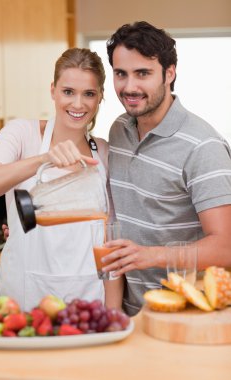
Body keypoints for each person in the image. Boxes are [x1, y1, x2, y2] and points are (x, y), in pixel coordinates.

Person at [99, 21, 231, 316]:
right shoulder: (120, 129)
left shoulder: (202, 146)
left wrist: (149, 256)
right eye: (121, 74)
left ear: (169, 73)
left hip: (186, 315)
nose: (129, 87)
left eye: (142, 73)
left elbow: (226, 248)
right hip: (132, 314)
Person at [0, 48, 123, 311]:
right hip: (21, 302)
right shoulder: (22, 134)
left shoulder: (103, 152)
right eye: (68, 91)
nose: (78, 104)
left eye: (88, 94)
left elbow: (111, 246)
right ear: (53, 90)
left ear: (100, 96)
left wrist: (112, 319)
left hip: (87, 305)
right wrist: (44, 159)